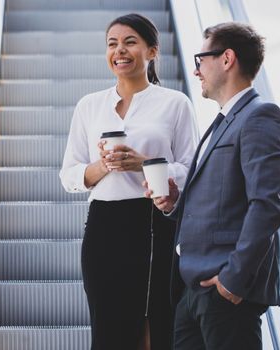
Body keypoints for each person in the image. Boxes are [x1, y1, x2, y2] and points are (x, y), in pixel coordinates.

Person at [146, 22, 280, 350]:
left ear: (226, 59)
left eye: (201, 59)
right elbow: (220, 199)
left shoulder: (260, 116)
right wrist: (174, 203)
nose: (196, 71)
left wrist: (233, 280)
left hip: (224, 290)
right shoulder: (221, 122)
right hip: (192, 289)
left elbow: (266, 205)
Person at [59, 13, 199, 350]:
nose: (119, 50)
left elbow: (192, 170)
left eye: (130, 42)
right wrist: (104, 165)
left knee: (156, 322)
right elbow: (69, 175)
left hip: (153, 221)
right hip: (103, 225)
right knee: (108, 328)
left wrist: (146, 165)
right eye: (112, 44)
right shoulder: (89, 106)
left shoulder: (174, 103)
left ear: (152, 51)